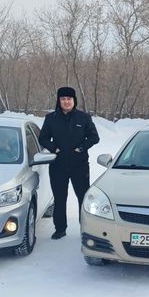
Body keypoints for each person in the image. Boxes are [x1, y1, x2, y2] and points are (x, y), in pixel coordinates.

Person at [39, 86, 100, 239]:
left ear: (74, 101)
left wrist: (82, 147)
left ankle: (85, 228)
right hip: (58, 166)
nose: (66, 102)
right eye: (63, 99)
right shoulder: (51, 118)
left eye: (69, 99)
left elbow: (94, 137)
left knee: (83, 197)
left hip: (79, 166)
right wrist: (54, 148)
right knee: (60, 198)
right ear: (59, 101)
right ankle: (60, 228)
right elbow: (43, 138)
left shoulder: (83, 118)